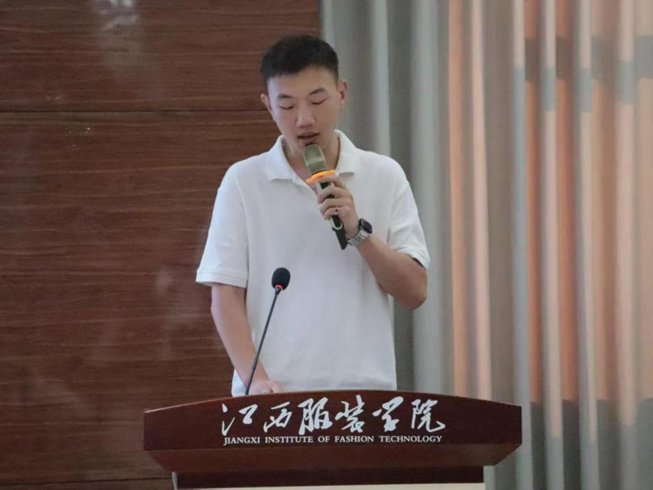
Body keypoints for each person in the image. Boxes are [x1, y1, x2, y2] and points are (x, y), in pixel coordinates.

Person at [196, 34, 430, 396]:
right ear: (268, 105)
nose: (304, 119)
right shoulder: (243, 181)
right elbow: (225, 296)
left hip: (364, 394)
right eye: (287, 105)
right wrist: (256, 380)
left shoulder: (384, 175)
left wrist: (358, 233)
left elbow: (414, 292)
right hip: (274, 397)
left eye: (317, 100)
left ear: (342, 93)